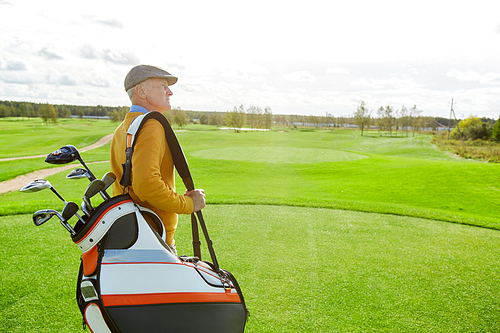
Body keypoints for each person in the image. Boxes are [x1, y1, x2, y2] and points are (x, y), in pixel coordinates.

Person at [110, 64, 206, 254]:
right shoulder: (151, 125)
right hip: (154, 237)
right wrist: (189, 204)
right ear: (141, 91)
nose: (170, 92)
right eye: (163, 86)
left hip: (132, 233)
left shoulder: (123, 128)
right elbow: (147, 186)